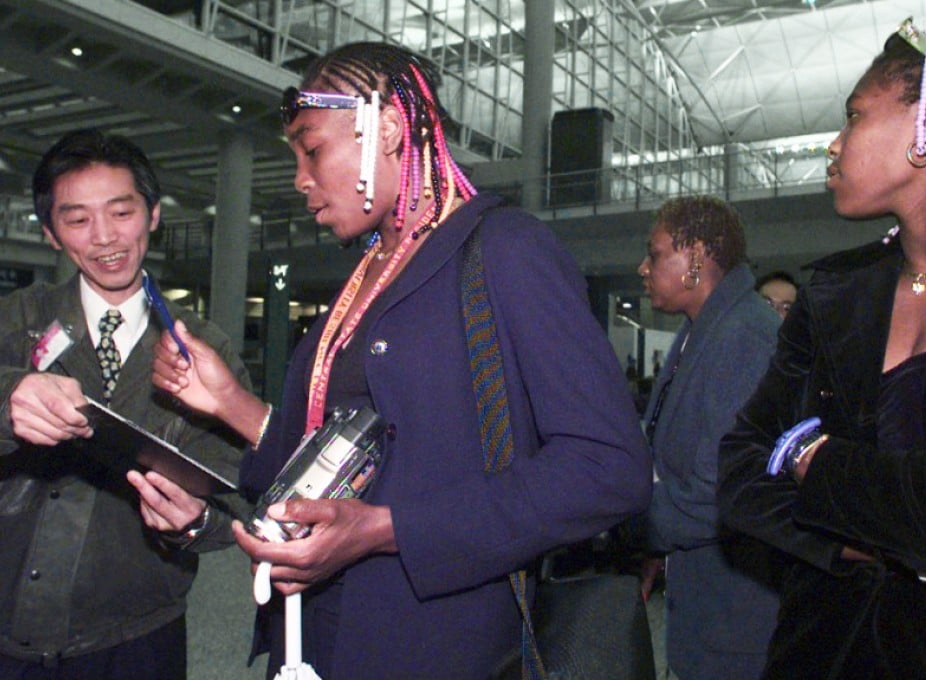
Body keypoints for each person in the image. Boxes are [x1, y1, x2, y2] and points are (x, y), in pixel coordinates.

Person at [148, 42, 652, 679]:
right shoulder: (366, 275)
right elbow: (337, 454)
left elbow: (610, 467)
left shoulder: (504, 250)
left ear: (385, 128)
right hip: (322, 636)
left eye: (313, 150)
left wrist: (388, 529)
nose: (300, 179)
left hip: (434, 645)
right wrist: (227, 403)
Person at [718, 19, 926, 678]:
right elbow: (739, 472)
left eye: (854, 117)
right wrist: (910, 508)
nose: (834, 143)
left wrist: (808, 459)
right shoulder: (834, 290)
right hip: (821, 652)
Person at [0, 128, 250, 678]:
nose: (105, 237)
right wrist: (8, 400)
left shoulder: (206, 349)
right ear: (49, 234)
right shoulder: (16, 318)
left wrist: (195, 522)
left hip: (138, 634)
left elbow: (238, 496)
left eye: (121, 212)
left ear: (154, 215)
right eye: (77, 219)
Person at [636, 196, 782, 679]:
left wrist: (627, 524)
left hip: (739, 627)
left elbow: (715, 497)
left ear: (696, 257)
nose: (643, 267)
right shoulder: (705, 329)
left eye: (655, 255)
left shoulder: (743, 337)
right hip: (707, 608)